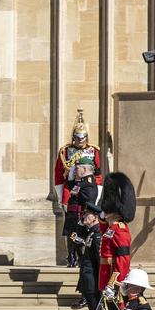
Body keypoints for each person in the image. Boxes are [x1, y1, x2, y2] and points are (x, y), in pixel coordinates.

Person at [53, 108, 103, 267]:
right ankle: (72, 255)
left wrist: (97, 194)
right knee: (72, 226)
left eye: (83, 137)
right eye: (78, 137)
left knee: (89, 222)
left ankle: (86, 255)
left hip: (89, 191)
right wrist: (63, 197)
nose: (80, 140)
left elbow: (99, 174)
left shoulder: (93, 151)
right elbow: (59, 175)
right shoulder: (65, 151)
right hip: (72, 190)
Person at [97, 172, 136, 310]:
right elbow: (103, 232)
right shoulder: (112, 227)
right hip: (107, 282)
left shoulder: (120, 229)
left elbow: (122, 261)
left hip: (115, 285)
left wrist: (114, 285)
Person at [75, 204, 108, 310]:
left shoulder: (97, 236)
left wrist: (101, 285)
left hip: (94, 283)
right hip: (88, 283)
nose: (83, 218)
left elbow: (99, 263)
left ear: (95, 217)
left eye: (86, 216)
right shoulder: (91, 233)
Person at [63, 159, 100, 269]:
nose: (75, 171)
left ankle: (81, 259)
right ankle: (73, 259)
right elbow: (71, 187)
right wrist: (70, 173)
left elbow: (89, 201)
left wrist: (87, 215)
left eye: (77, 168)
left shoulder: (88, 184)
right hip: (74, 215)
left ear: (84, 169)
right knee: (72, 236)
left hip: (82, 216)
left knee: (78, 238)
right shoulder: (82, 182)